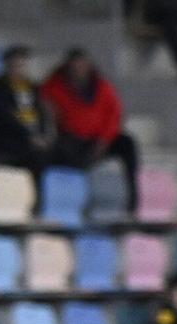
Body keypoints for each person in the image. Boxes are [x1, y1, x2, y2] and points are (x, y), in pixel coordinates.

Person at [39, 50, 140, 214]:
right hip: (71, 138)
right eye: (74, 65)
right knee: (65, 153)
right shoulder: (55, 86)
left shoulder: (102, 86)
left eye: (81, 65)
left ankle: (133, 198)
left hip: (100, 139)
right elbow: (43, 102)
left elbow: (114, 114)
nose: (78, 69)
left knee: (127, 144)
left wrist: (103, 140)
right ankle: (73, 202)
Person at [0, 46, 52, 171]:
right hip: (8, 140)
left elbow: (40, 112)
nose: (18, 69)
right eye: (14, 65)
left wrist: (43, 135)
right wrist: (29, 137)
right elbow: (4, 117)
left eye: (21, 65)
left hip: (32, 138)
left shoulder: (31, 86)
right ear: (7, 65)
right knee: (35, 158)